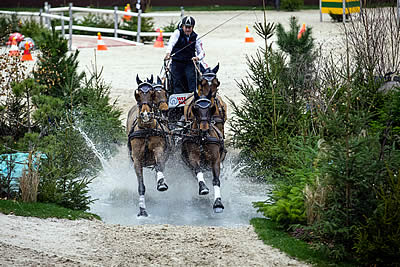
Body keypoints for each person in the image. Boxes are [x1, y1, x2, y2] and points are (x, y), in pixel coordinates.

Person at [164, 16, 205, 94]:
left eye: (190, 27)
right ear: (182, 26)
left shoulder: (196, 37)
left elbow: (202, 53)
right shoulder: (177, 33)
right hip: (177, 62)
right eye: (186, 27)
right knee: (177, 82)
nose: (188, 29)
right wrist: (168, 53)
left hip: (189, 62)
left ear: (193, 27)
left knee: (191, 80)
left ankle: (192, 97)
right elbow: (171, 44)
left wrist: (197, 57)